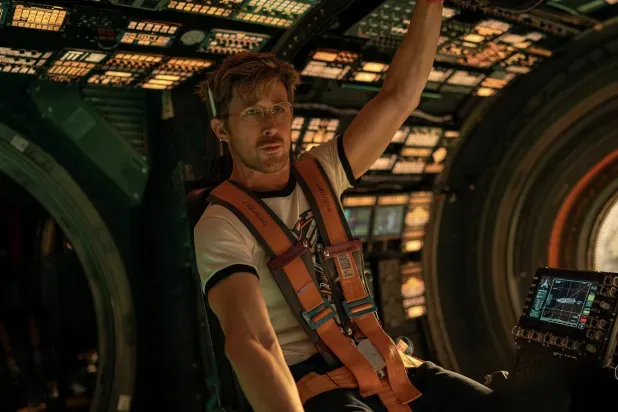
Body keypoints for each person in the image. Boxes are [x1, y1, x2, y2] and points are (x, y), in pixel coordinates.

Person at [193, 1, 492, 411]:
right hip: (314, 383)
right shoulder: (221, 225)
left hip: (388, 364)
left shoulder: (322, 173)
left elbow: (400, 97)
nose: (270, 126)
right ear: (222, 129)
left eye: (279, 109)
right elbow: (252, 340)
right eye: (253, 113)